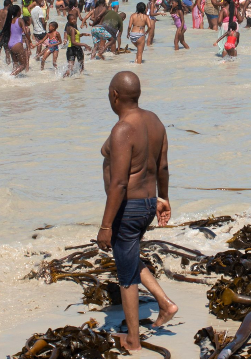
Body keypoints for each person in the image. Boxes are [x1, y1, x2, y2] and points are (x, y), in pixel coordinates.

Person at [94, 72, 177, 351]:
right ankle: (164, 304)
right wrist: (163, 198)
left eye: (109, 92)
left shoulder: (122, 130)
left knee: (126, 276)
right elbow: (162, 167)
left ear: (115, 95)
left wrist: (106, 226)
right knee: (129, 256)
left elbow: (118, 183)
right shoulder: (154, 121)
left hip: (127, 207)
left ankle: (133, 339)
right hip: (147, 203)